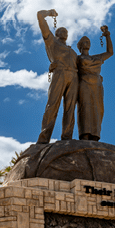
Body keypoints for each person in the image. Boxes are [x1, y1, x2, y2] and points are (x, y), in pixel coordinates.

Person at [37, 9, 79, 142]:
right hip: (59, 73)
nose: (65, 32)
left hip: (73, 76)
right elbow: (39, 16)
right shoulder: (51, 42)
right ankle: (44, 137)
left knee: (70, 108)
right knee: (52, 105)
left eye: (66, 31)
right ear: (56, 33)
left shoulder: (72, 51)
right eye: (62, 30)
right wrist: (48, 13)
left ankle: (67, 137)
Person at [76, 26, 113, 141]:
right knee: (85, 108)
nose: (87, 43)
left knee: (98, 109)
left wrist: (107, 35)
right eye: (84, 41)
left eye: (88, 41)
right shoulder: (77, 58)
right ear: (80, 45)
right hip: (84, 84)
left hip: (97, 86)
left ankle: (95, 135)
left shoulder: (96, 57)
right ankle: (85, 134)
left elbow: (109, 52)